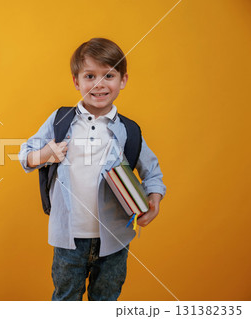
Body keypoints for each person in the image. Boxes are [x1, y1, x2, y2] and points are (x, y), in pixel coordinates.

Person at [18, 38, 166, 301]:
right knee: (66, 299)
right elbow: (25, 156)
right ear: (77, 81)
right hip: (68, 238)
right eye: (90, 76)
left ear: (123, 80)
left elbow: (152, 172)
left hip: (115, 238)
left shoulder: (128, 131)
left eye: (108, 75)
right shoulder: (60, 120)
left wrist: (153, 200)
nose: (99, 84)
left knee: (106, 300)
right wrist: (45, 154)